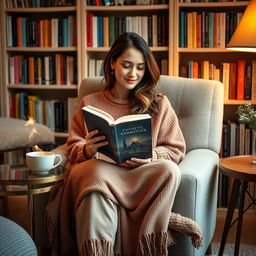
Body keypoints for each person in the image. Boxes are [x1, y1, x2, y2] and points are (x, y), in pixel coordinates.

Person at [45, 32, 202, 256]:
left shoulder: (158, 102)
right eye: (127, 65)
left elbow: (175, 149)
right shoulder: (90, 102)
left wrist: (152, 156)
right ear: (112, 64)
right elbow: (73, 149)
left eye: (140, 67)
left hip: (140, 174)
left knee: (169, 170)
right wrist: (88, 149)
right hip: (102, 171)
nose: (133, 74)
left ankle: (149, 216)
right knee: (92, 182)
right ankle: (165, 219)